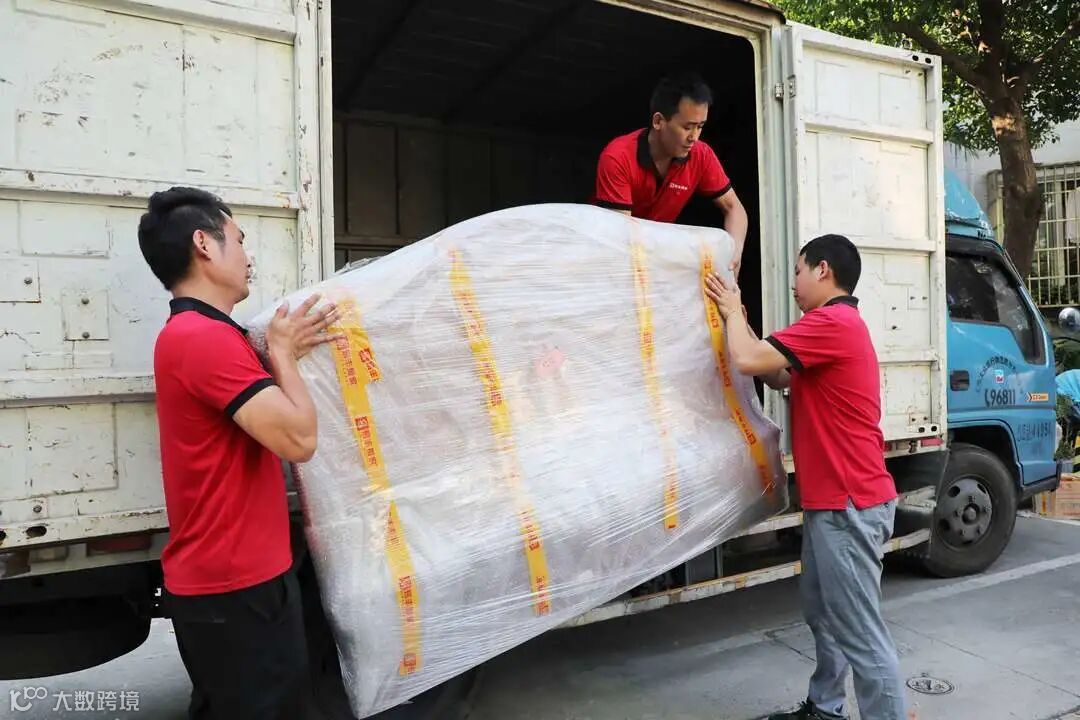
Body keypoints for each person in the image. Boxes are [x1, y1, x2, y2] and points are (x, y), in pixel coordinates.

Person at [137, 187, 338, 720]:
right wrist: (284, 355)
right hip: (235, 588)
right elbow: (299, 440)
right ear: (204, 244)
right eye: (240, 240)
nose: (248, 257)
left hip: (235, 581)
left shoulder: (203, 334)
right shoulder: (202, 339)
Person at [704, 234, 907, 720]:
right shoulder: (833, 328)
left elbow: (749, 360)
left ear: (822, 270)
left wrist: (731, 313)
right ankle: (826, 707)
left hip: (849, 504)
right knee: (825, 615)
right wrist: (741, 322)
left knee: (860, 633)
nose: (793, 283)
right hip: (834, 503)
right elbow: (776, 374)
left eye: (798, 271)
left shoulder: (831, 323)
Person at [593, 71, 749, 276]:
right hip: (612, 259)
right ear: (658, 121)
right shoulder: (618, 157)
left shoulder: (701, 155)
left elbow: (734, 208)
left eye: (700, 127)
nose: (694, 137)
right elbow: (622, 242)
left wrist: (734, 254)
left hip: (657, 259)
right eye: (687, 127)